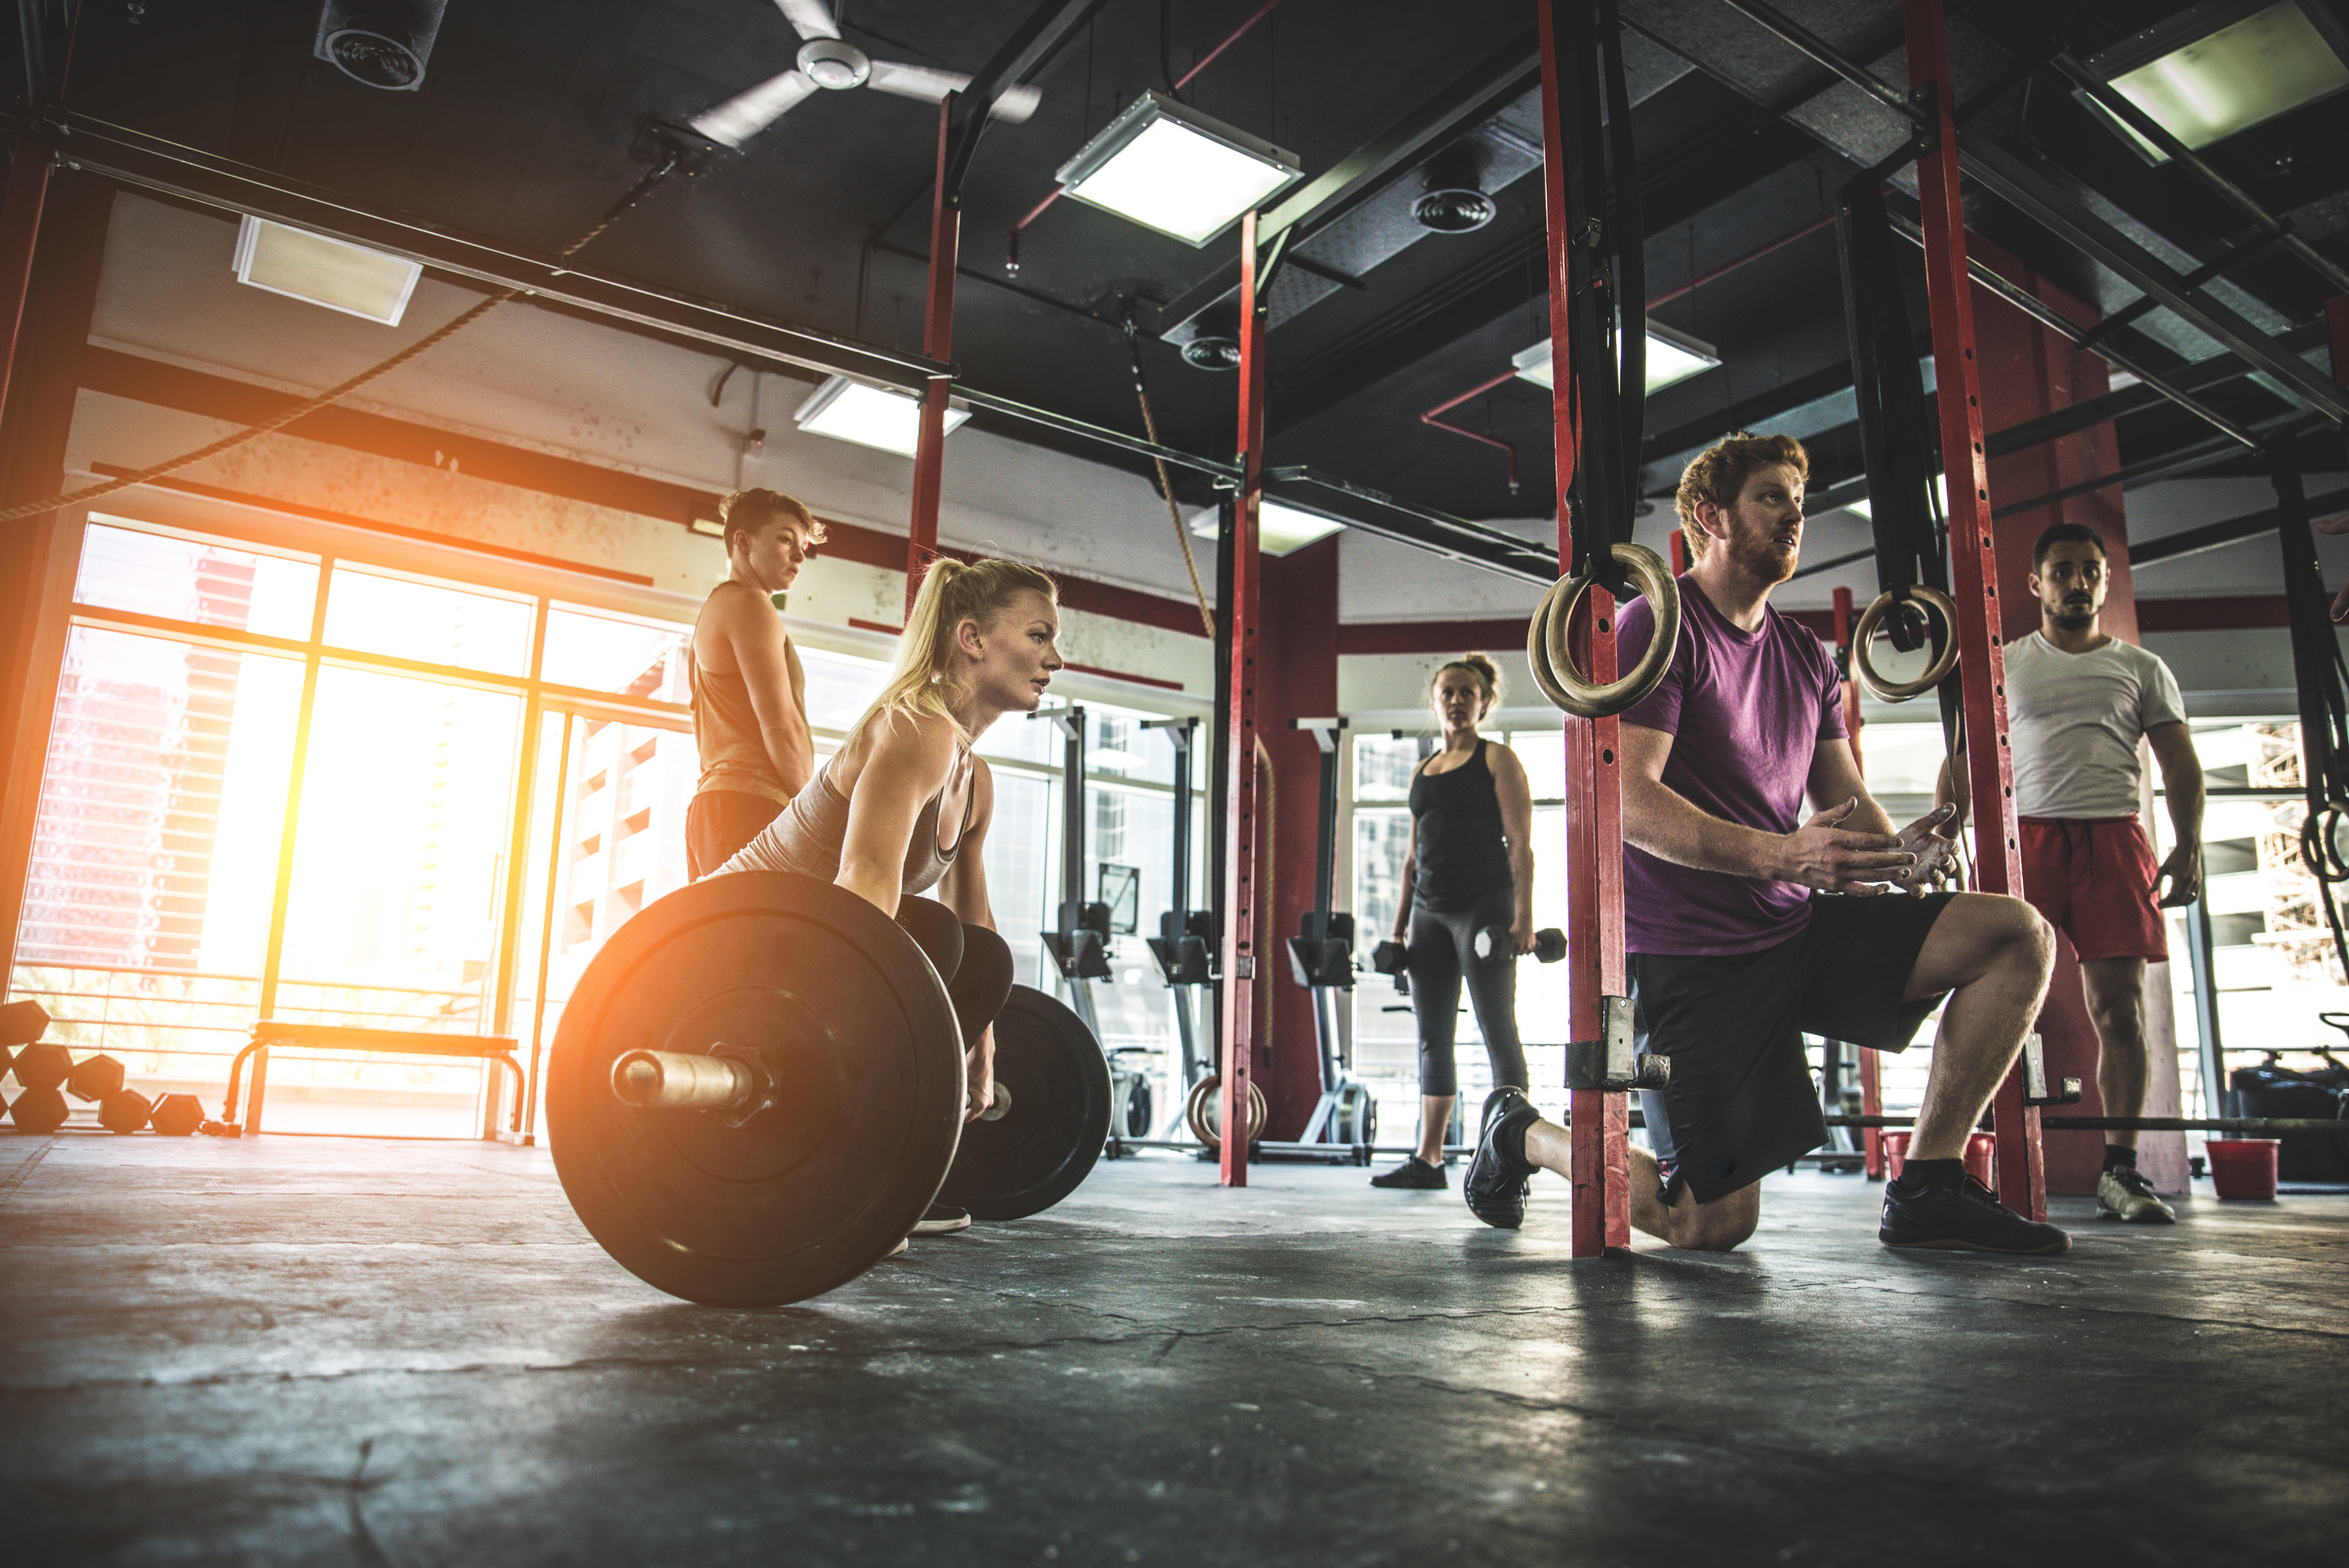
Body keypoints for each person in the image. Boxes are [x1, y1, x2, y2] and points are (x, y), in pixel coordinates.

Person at [1464, 431, 2069, 1254]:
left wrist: (1902, 861)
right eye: (1771, 498)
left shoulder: (1803, 654)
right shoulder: (1655, 628)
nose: (1794, 517)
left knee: (2014, 935)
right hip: (1693, 953)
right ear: (1710, 515)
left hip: (1791, 930)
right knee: (1708, 1223)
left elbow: (1843, 806)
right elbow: (1627, 802)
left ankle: (1927, 1181)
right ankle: (1521, 1130)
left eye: (1799, 501)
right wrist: (1783, 855)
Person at [712, 557, 1059, 1237]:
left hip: (801, 942)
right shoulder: (915, 727)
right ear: (972, 638)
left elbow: (977, 932)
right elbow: (863, 884)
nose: (1056, 657)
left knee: (976, 949)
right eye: (1040, 634)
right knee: (925, 934)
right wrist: (848, 1064)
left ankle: (886, 1154)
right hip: (722, 937)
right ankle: (851, 1153)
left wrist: (980, 1051)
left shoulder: (973, 776)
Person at [1934, 521, 2203, 1225]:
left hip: (2114, 840)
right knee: (1989, 1002)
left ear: (2104, 580)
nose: (2076, 581)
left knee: (2119, 1012)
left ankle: (2120, 1171)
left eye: (2089, 569)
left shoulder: (2141, 668)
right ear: (2035, 583)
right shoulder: (2004, 662)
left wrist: (2191, 841)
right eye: (2062, 570)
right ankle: (1957, 1161)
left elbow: (2177, 762)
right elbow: (1963, 762)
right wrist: (1943, 831)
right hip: (2025, 843)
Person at [1369, 654, 1537, 1191]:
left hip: (1482, 908)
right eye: (1449, 692)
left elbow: (1522, 846)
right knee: (1431, 1038)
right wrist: (1396, 931)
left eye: (1468, 692)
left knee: (1496, 1028)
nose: (1458, 700)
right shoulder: (1422, 770)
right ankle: (1429, 1159)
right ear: (1435, 700)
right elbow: (1412, 860)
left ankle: (1511, 1160)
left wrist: (1525, 919)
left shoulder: (1498, 759)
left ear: (1484, 702)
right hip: (1428, 913)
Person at [685, 489, 824, 879]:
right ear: (742, 542)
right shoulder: (749, 604)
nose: (799, 555)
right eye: (785, 539)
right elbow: (780, 725)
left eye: (803, 545)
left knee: (725, 940)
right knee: (758, 940)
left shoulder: (718, 608)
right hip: (749, 803)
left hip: (718, 806)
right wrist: (818, 815)